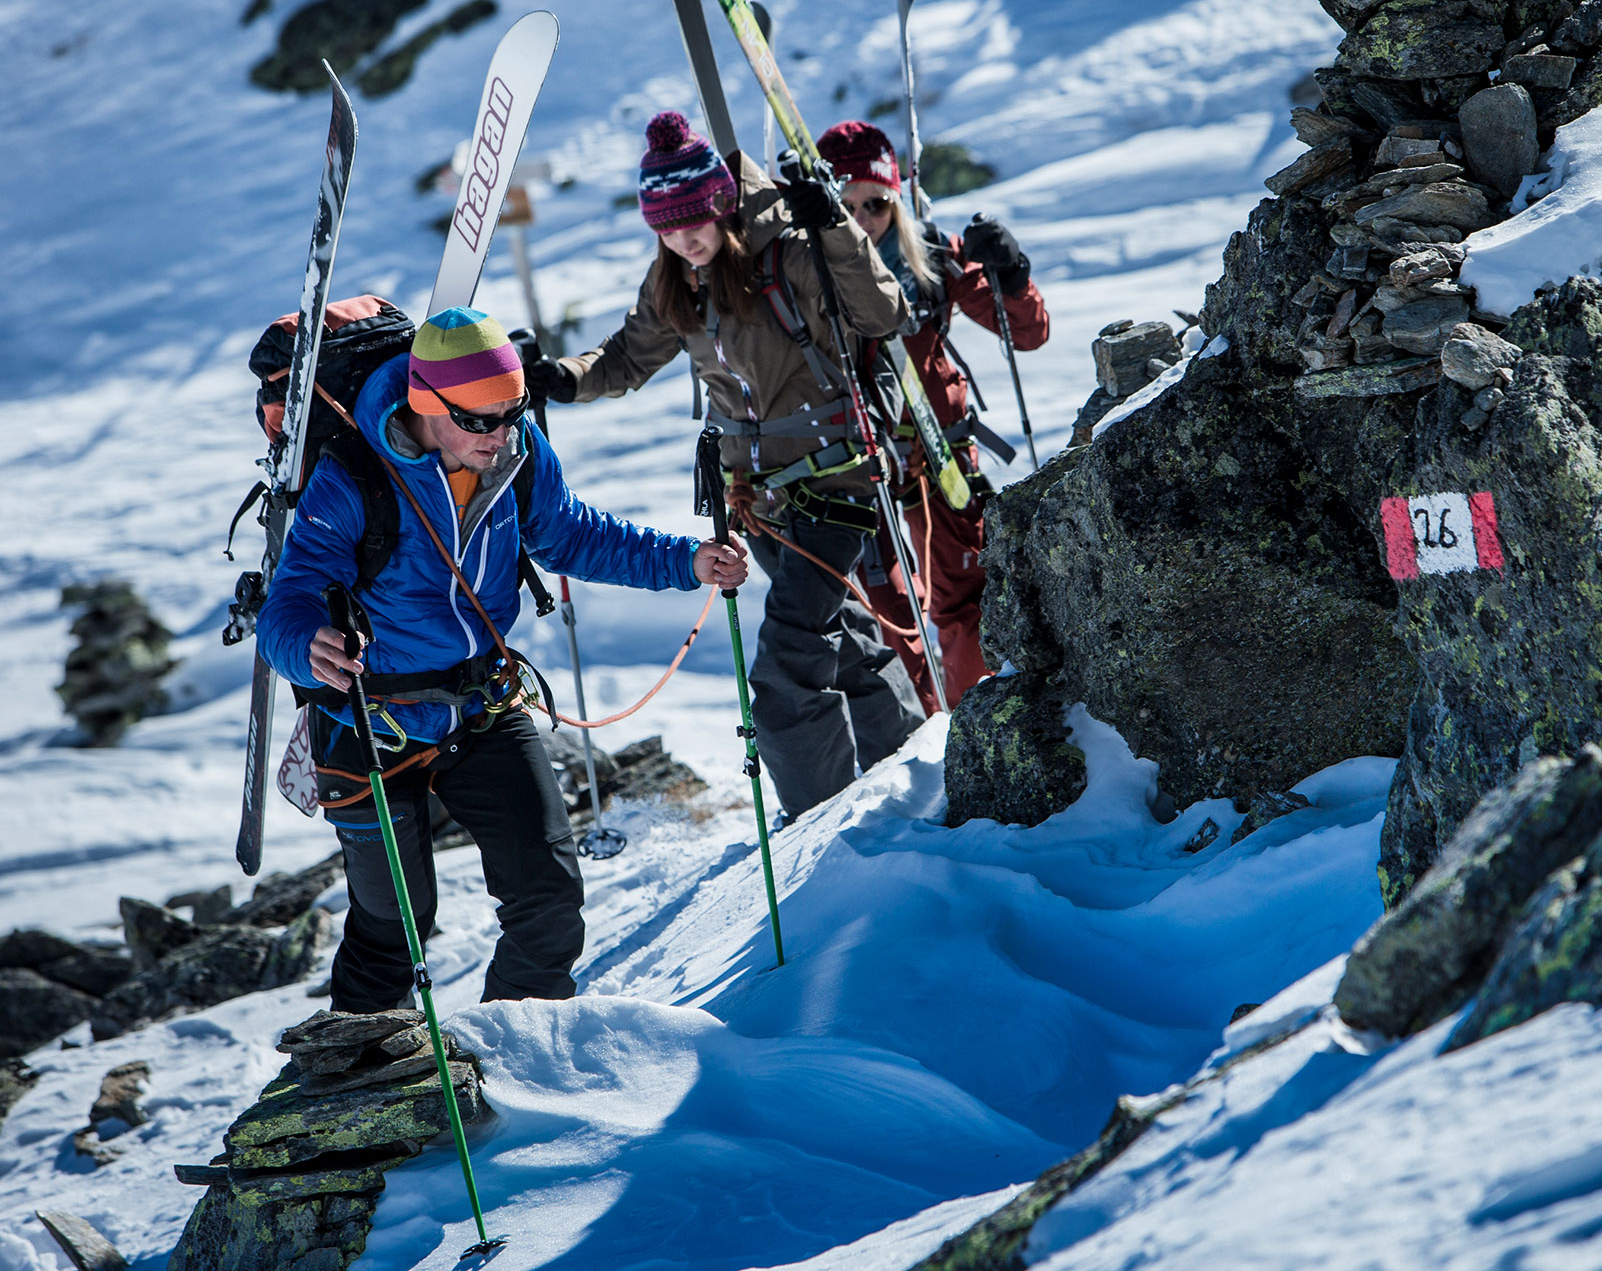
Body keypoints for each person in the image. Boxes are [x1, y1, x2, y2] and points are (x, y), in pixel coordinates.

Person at [258, 305, 748, 1013]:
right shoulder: (353, 478)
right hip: (371, 718)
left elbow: (574, 536)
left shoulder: (516, 455)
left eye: (512, 413)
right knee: (393, 930)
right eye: (480, 419)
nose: (500, 433)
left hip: (482, 703)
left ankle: (511, 1053)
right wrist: (307, 646)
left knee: (549, 901)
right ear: (428, 405)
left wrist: (685, 561)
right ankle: (356, 1078)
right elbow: (290, 600)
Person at [525, 110, 926, 819]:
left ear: (718, 203)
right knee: (845, 644)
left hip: (836, 482)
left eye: (693, 220)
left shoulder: (789, 253)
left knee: (789, 666)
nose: (684, 237)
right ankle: (914, 775)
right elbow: (627, 357)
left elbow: (884, 312)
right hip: (757, 499)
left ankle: (822, 822)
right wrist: (564, 376)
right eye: (666, 227)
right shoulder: (675, 283)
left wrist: (833, 227)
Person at [814, 120, 1049, 712]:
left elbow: (1026, 333)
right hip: (860, 463)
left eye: (877, 202)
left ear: (897, 197)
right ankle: (928, 735)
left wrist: (1012, 273)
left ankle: (984, 722)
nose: (864, 218)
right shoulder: (808, 277)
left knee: (965, 596)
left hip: (944, 453)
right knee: (891, 614)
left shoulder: (932, 256)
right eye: (847, 207)